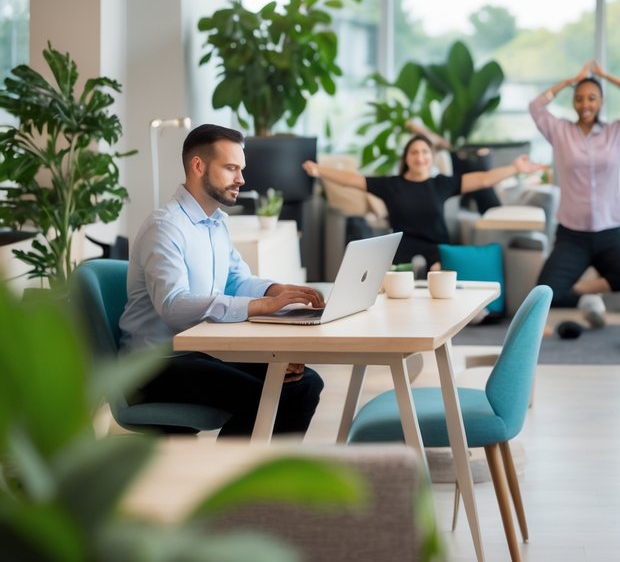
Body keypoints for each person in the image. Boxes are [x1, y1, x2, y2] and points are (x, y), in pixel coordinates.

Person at [121, 124, 326, 438]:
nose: (241, 179)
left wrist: (276, 291)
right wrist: (261, 306)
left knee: (305, 383)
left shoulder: (215, 224)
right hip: (153, 366)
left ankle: (251, 468)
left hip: (199, 355)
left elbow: (235, 280)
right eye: (231, 168)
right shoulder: (164, 227)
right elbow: (174, 306)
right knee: (274, 394)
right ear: (198, 166)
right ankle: (235, 470)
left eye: (241, 169)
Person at [303, 135, 542, 272]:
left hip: (436, 247)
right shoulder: (391, 185)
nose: (420, 157)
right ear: (406, 158)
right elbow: (351, 180)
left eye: (425, 152)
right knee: (392, 280)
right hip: (401, 248)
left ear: (431, 157)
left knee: (436, 273)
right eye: (414, 152)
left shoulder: (442, 184)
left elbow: (484, 179)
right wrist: (320, 170)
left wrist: (515, 168)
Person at [530, 60, 620, 327]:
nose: (585, 104)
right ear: (574, 102)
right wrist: (568, 82)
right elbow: (535, 107)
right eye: (580, 98)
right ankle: (587, 302)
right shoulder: (560, 132)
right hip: (572, 235)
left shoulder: (617, 132)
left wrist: (606, 76)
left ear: (601, 102)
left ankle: (586, 292)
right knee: (546, 292)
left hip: (609, 231)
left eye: (592, 98)